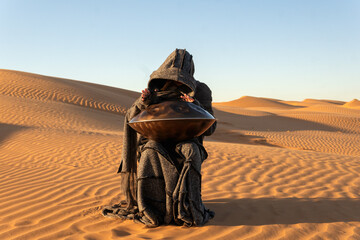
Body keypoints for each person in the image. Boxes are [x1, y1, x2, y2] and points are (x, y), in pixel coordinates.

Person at [103, 49, 217, 227]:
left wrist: (196, 106)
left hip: (188, 139)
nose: (176, 82)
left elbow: (211, 127)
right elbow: (131, 116)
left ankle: (186, 208)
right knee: (150, 150)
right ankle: (153, 208)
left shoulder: (201, 91)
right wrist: (144, 102)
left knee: (191, 151)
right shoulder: (156, 88)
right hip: (155, 137)